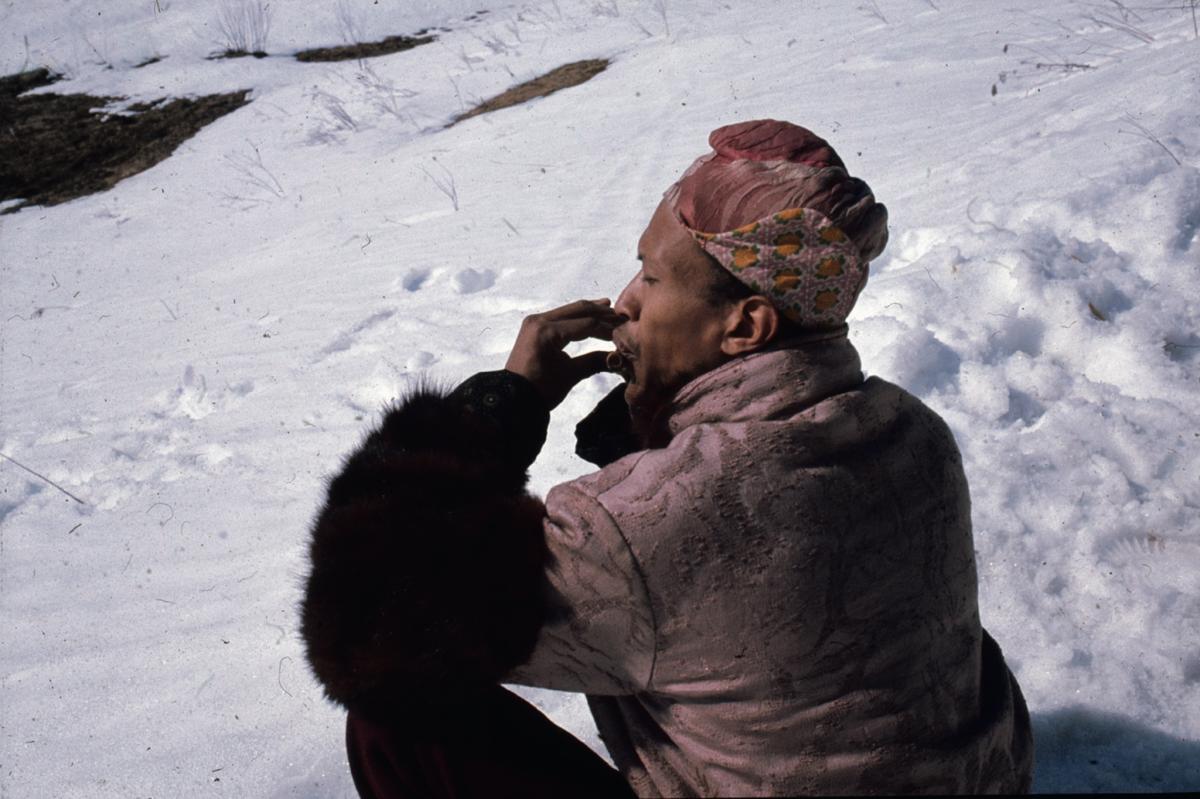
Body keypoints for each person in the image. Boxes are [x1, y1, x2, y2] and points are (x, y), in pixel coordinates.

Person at [300, 119, 1034, 797]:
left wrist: (499, 409)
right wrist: (657, 426)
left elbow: (363, 621)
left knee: (395, 717)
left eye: (651, 277)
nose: (625, 302)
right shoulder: (912, 428)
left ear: (746, 324)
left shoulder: (639, 524)